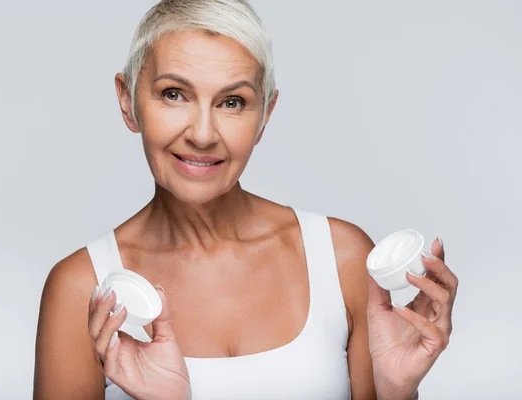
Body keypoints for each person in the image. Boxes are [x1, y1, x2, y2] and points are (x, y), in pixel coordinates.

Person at [33, 0, 459, 399]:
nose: (202, 134)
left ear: (264, 117)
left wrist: (396, 392)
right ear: (128, 102)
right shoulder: (80, 290)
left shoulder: (342, 258)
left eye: (232, 102)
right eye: (174, 94)